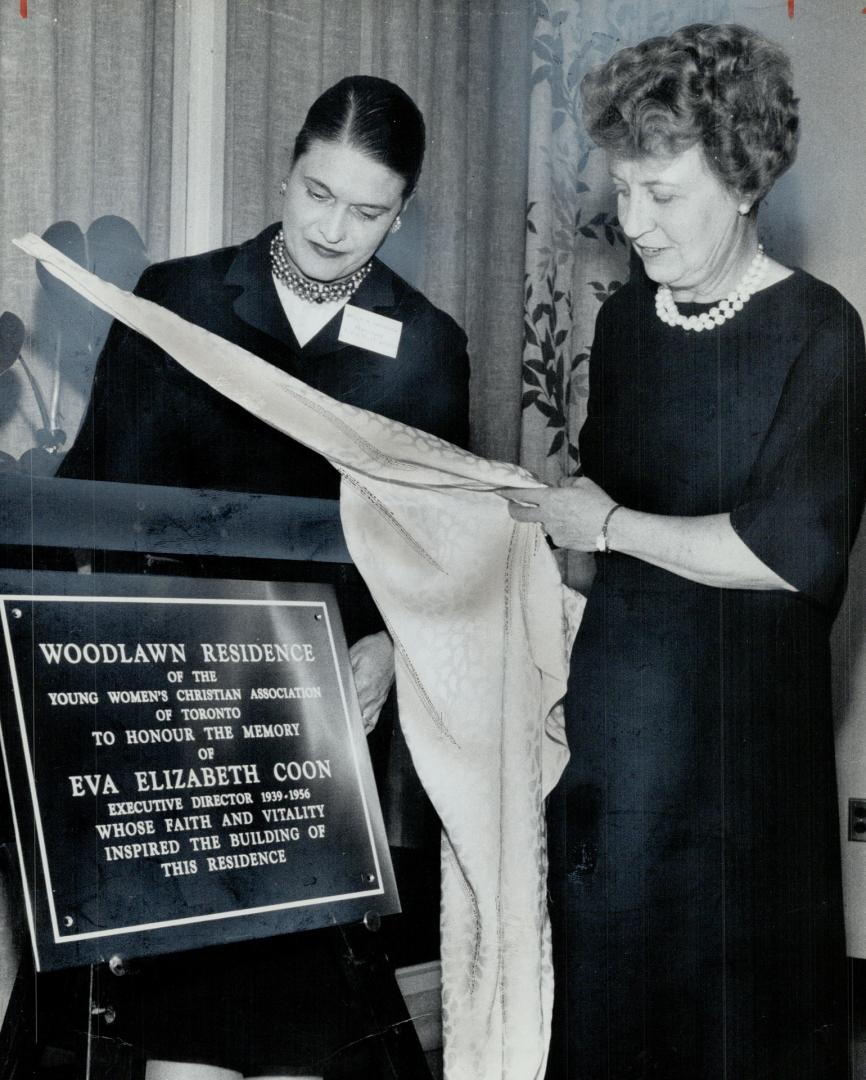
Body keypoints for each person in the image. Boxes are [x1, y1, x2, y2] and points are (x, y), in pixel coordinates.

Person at [57, 75, 469, 1080]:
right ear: (284, 172)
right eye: (316, 193)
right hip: (183, 714)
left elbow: (443, 549)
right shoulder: (179, 299)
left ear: (401, 214)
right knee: (183, 1033)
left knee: (298, 1028)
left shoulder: (425, 345)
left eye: (366, 211)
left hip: (323, 729)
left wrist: (388, 646)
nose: (334, 229)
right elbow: (95, 491)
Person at [501, 23, 866, 1080]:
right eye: (621, 193)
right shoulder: (621, 328)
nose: (634, 223)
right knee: (605, 1018)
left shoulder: (819, 334)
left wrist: (603, 525)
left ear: (745, 181)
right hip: (622, 751)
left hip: (741, 770)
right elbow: (599, 538)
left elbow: (786, 551)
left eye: (662, 196)